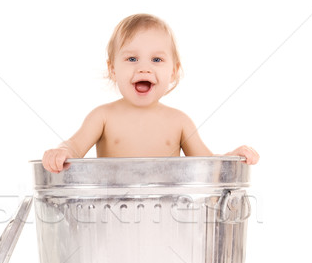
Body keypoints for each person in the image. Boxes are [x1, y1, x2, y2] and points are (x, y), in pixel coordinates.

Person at [42, 13, 259, 173]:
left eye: (157, 60)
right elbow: (74, 146)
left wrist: (232, 158)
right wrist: (61, 152)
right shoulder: (103, 117)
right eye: (132, 59)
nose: (144, 68)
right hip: (113, 216)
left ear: (173, 71)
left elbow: (209, 166)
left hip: (167, 218)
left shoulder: (179, 122)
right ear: (113, 69)